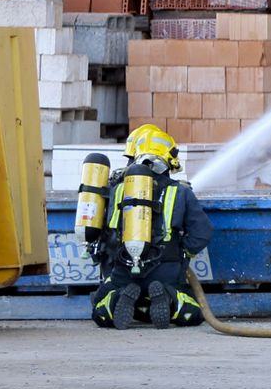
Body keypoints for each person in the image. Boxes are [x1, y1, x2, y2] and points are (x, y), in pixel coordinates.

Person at [90, 124, 213, 330]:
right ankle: (171, 298)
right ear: (167, 160)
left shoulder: (118, 190)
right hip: (167, 268)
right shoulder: (180, 192)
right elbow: (203, 233)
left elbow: (108, 232)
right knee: (192, 313)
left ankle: (116, 299)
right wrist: (183, 251)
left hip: (124, 269)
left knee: (99, 310)